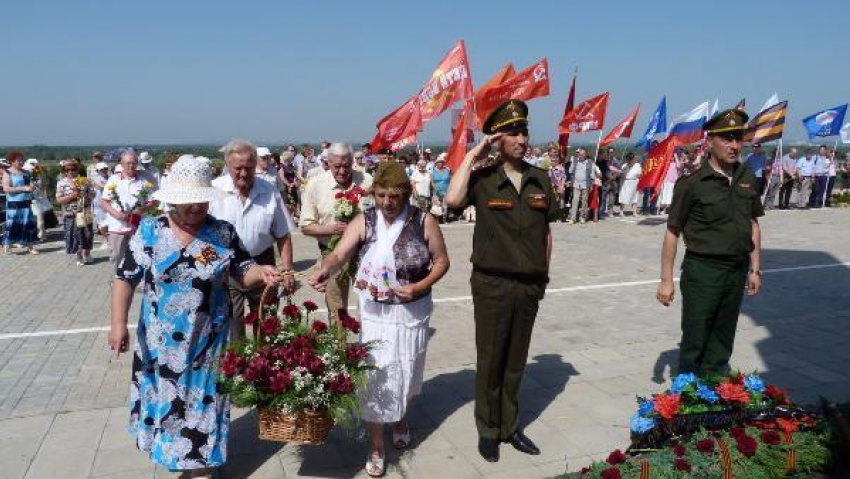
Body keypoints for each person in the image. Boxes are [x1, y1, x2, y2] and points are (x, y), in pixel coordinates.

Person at [108, 156, 285, 478]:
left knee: (206, 405)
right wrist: (118, 324)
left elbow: (242, 272)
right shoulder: (151, 231)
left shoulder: (220, 233)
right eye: (189, 201)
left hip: (209, 342)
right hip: (162, 346)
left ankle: (200, 467)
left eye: (201, 200)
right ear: (174, 200)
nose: (196, 207)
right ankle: (185, 461)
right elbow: (124, 278)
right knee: (171, 405)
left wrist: (263, 273)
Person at [308, 161, 449, 477]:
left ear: (407, 194)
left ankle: (399, 417)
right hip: (374, 312)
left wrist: (420, 286)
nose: (387, 203)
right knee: (376, 375)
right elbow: (340, 253)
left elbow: (442, 261)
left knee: (408, 369)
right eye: (381, 195)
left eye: (394, 196)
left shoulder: (423, 221)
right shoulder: (364, 220)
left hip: (411, 311)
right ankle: (376, 445)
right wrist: (325, 268)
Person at [445, 100, 558, 462]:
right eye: (513, 132)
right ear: (498, 138)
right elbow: (452, 198)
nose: (522, 138)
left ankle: (510, 426)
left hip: (528, 285)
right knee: (491, 359)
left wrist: (543, 276)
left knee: (516, 360)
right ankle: (488, 430)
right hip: (492, 283)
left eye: (524, 131)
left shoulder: (540, 178)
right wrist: (473, 153)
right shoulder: (483, 178)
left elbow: (546, 233)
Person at [657, 109, 763, 376]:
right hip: (703, 269)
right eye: (727, 139)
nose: (734, 145)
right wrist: (666, 280)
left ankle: (716, 386)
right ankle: (689, 392)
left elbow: (753, 223)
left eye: (738, 139)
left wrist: (755, 269)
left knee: (724, 333)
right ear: (710, 141)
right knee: (696, 331)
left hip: (736, 270)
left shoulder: (747, 177)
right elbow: (672, 232)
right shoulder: (692, 184)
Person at [209, 142, 296, 339]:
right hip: (226, 267)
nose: (243, 173)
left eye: (248, 167)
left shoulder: (270, 191)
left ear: (255, 164)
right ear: (228, 166)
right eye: (237, 168)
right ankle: (237, 364)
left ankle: (263, 364)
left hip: (264, 263)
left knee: (266, 323)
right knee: (232, 324)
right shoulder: (215, 190)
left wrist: (288, 269)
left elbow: (283, 235)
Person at [300, 143, 373, 315]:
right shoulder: (316, 184)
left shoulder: (367, 180)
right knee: (337, 309)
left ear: (352, 161)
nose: (342, 171)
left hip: (364, 253)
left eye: (346, 166)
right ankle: (339, 341)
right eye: (337, 166)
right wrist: (332, 229)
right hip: (331, 255)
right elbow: (305, 227)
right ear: (328, 163)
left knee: (370, 305)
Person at [101, 149, 151, 268]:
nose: (131, 165)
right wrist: (117, 214)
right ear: (121, 164)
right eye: (128, 163)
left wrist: (142, 209)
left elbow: (153, 201)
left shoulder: (143, 180)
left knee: (137, 254)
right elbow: (104, 201)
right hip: (117, 226)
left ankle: (135, 282)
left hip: (137, 225)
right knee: (117, 255)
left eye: (134, 163)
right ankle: (115, 281)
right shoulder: (114, 179)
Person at [55, 159, 95, 265]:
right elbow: (59, 200)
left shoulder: (85, 180)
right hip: (70, 213)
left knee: (88, 234)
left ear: (77, 170)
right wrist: (72, 196)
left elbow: (92, 194)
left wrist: (85, 195)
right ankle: (79, 256)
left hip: (85, 210)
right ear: (64, 172)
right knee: (75, 235)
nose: (70, 172)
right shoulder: (61, 183)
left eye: (73, 169)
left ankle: (87, 253)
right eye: (67, 170)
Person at [2, 151, 39, 254]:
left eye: (22, 160)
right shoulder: (8, 172)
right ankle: (7, 244)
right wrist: (23, 188)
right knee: (12, 223)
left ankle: (30, 246)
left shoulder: (26, 172)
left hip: (26, 201)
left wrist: (32, 187)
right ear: (12, 162)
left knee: (29, 223)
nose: (21, 162)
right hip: (13, 203)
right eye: (19, 160)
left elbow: (31, 184)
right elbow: (6, 188)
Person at [567, 148, 593, 224]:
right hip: (576, 183)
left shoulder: (590, 162)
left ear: (585, 155)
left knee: (584, 201)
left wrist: (591, 185)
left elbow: (592, 175)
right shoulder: (575, 161)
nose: (580, 156)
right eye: (579, 154)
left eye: (582, 154)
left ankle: (582, 217)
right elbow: (570, 171)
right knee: (575, 200)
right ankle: (573, 218)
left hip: (585, 184)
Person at [430, 154, 451, 223]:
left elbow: (451, 179)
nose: (440, 163)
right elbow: (432, 182)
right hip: (436, 191)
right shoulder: (433, 171)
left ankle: (444, 219)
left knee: (445, 206)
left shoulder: (447, 170)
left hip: (446, 190)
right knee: (437, 206)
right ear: (436, 163)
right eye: (439, 162)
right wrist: (435, 189)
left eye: (441, 162)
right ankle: (437, 219)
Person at [549, 155, 568, 221]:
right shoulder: (550, 168)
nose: (552, 162)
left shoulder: (561, 168)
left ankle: (562, 216)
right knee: (554, 201)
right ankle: (555, 216)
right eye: (551, 161)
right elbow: (550, 178)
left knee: (561, 201)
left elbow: (563, 177)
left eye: (553, 161)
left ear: (557, 161)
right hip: (553, 186)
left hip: (560, 185)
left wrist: (562, 186)